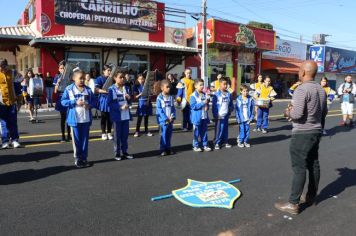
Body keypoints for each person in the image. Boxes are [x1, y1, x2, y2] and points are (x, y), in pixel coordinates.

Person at [275, 61, 327, 215]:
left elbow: (296, 114)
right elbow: (323, 113)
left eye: (299, 70)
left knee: (299, 168)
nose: (298, 72)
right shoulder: (321, 90)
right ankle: (311, 196)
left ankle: (293, 203)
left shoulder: (301, 89)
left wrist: (287, 113)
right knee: (313, 164)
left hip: (302, 133)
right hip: (316, 131)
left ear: (304, 72)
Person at [61, 68, 96, 168]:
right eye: (80, 78)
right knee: (76, 140)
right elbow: (63, 102)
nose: (82, 80)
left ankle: (84, 157)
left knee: (85, 140)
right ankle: (78, 159)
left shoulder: (88, 90)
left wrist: (89, 105)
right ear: (74, 78)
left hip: (86, 119)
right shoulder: (69, 89)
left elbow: (94, 101)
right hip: (75, 120)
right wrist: (74, 102)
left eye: (83, 78)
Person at [107, 71, 134, 161]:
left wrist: (129, 99)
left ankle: (125, 152)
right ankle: (117, 153)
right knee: (117, 136)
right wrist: (120, 107)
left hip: (126, 116)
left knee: (125, 135)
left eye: (123, 77)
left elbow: (130, 102)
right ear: (115, 78)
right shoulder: (111, 89)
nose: (122, 79)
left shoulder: (126, 88)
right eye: (120, 77)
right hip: (117, 116)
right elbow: (110, 103)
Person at [0, 58, 20, 148]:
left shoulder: (13, 72)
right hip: (1, 102)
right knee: (3, 123)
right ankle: (5, 141)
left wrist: (20, 101)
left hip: (12, 101)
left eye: (2, 66)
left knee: (13, 122)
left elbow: (18, 87)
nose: (1, 68)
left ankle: (14, 140)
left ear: (6, 65)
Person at [212, 77, 234, 150]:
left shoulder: (228, 94)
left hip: (226, 115)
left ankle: (225, 141)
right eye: (224, 84)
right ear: (220, 84)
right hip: (219, 115)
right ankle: (217, 142)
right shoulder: (216, 94)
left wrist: (230, 109)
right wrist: (216, 115)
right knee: (219, 129)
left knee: (225, 129)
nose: (225, 85)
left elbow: (231, 103)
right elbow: (214, 106)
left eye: (226, 84)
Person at [190, 78, 211, 152]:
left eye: (203, 85)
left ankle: (204, 145)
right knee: (196, 132)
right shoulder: (193, 96)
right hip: (196, 118)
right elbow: (193, 106)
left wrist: (207, 106)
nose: (202, 86)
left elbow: (207, 104)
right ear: (195, 86)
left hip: (204, 116)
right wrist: (203, 103)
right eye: (200, 85)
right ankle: (195, 146)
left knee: (204, 132)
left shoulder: (204, 94)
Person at [156, 80, 176, 156]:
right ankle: (162, 149)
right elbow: (159, 109)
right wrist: (165, 119)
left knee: (169, 135)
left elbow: (173, 108)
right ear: (162, 88)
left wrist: (173, 117)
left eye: (169, 87)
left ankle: (168, 148)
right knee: (163, 135)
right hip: (163, 121)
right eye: (167, 87)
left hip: (170, 120)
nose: (169, 88)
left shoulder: (171, 97)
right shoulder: (159, 98)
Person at [54, 61, 71, 142]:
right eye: (60, 68)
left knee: (69, 117)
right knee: (63, 118)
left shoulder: (69, 77)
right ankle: (63, 136)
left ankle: (69, 135)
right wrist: (58, 83)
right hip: (61, 97)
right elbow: (55, 91)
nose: (62, 70)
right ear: (58, 69)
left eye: (63, 68)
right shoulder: (57, 76)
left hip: (68, 98)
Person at [95, 65, 113, 140]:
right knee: (104, 117)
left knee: (110, 117)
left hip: (111, 99)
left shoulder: (112, 79)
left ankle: (109, 132)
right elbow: (96, 89)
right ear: (103, 71)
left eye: (110, 70)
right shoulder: (99, 78)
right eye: (108, 70)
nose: (109, 72)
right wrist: (105, 91)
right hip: (103, 99)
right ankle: (103, 133)